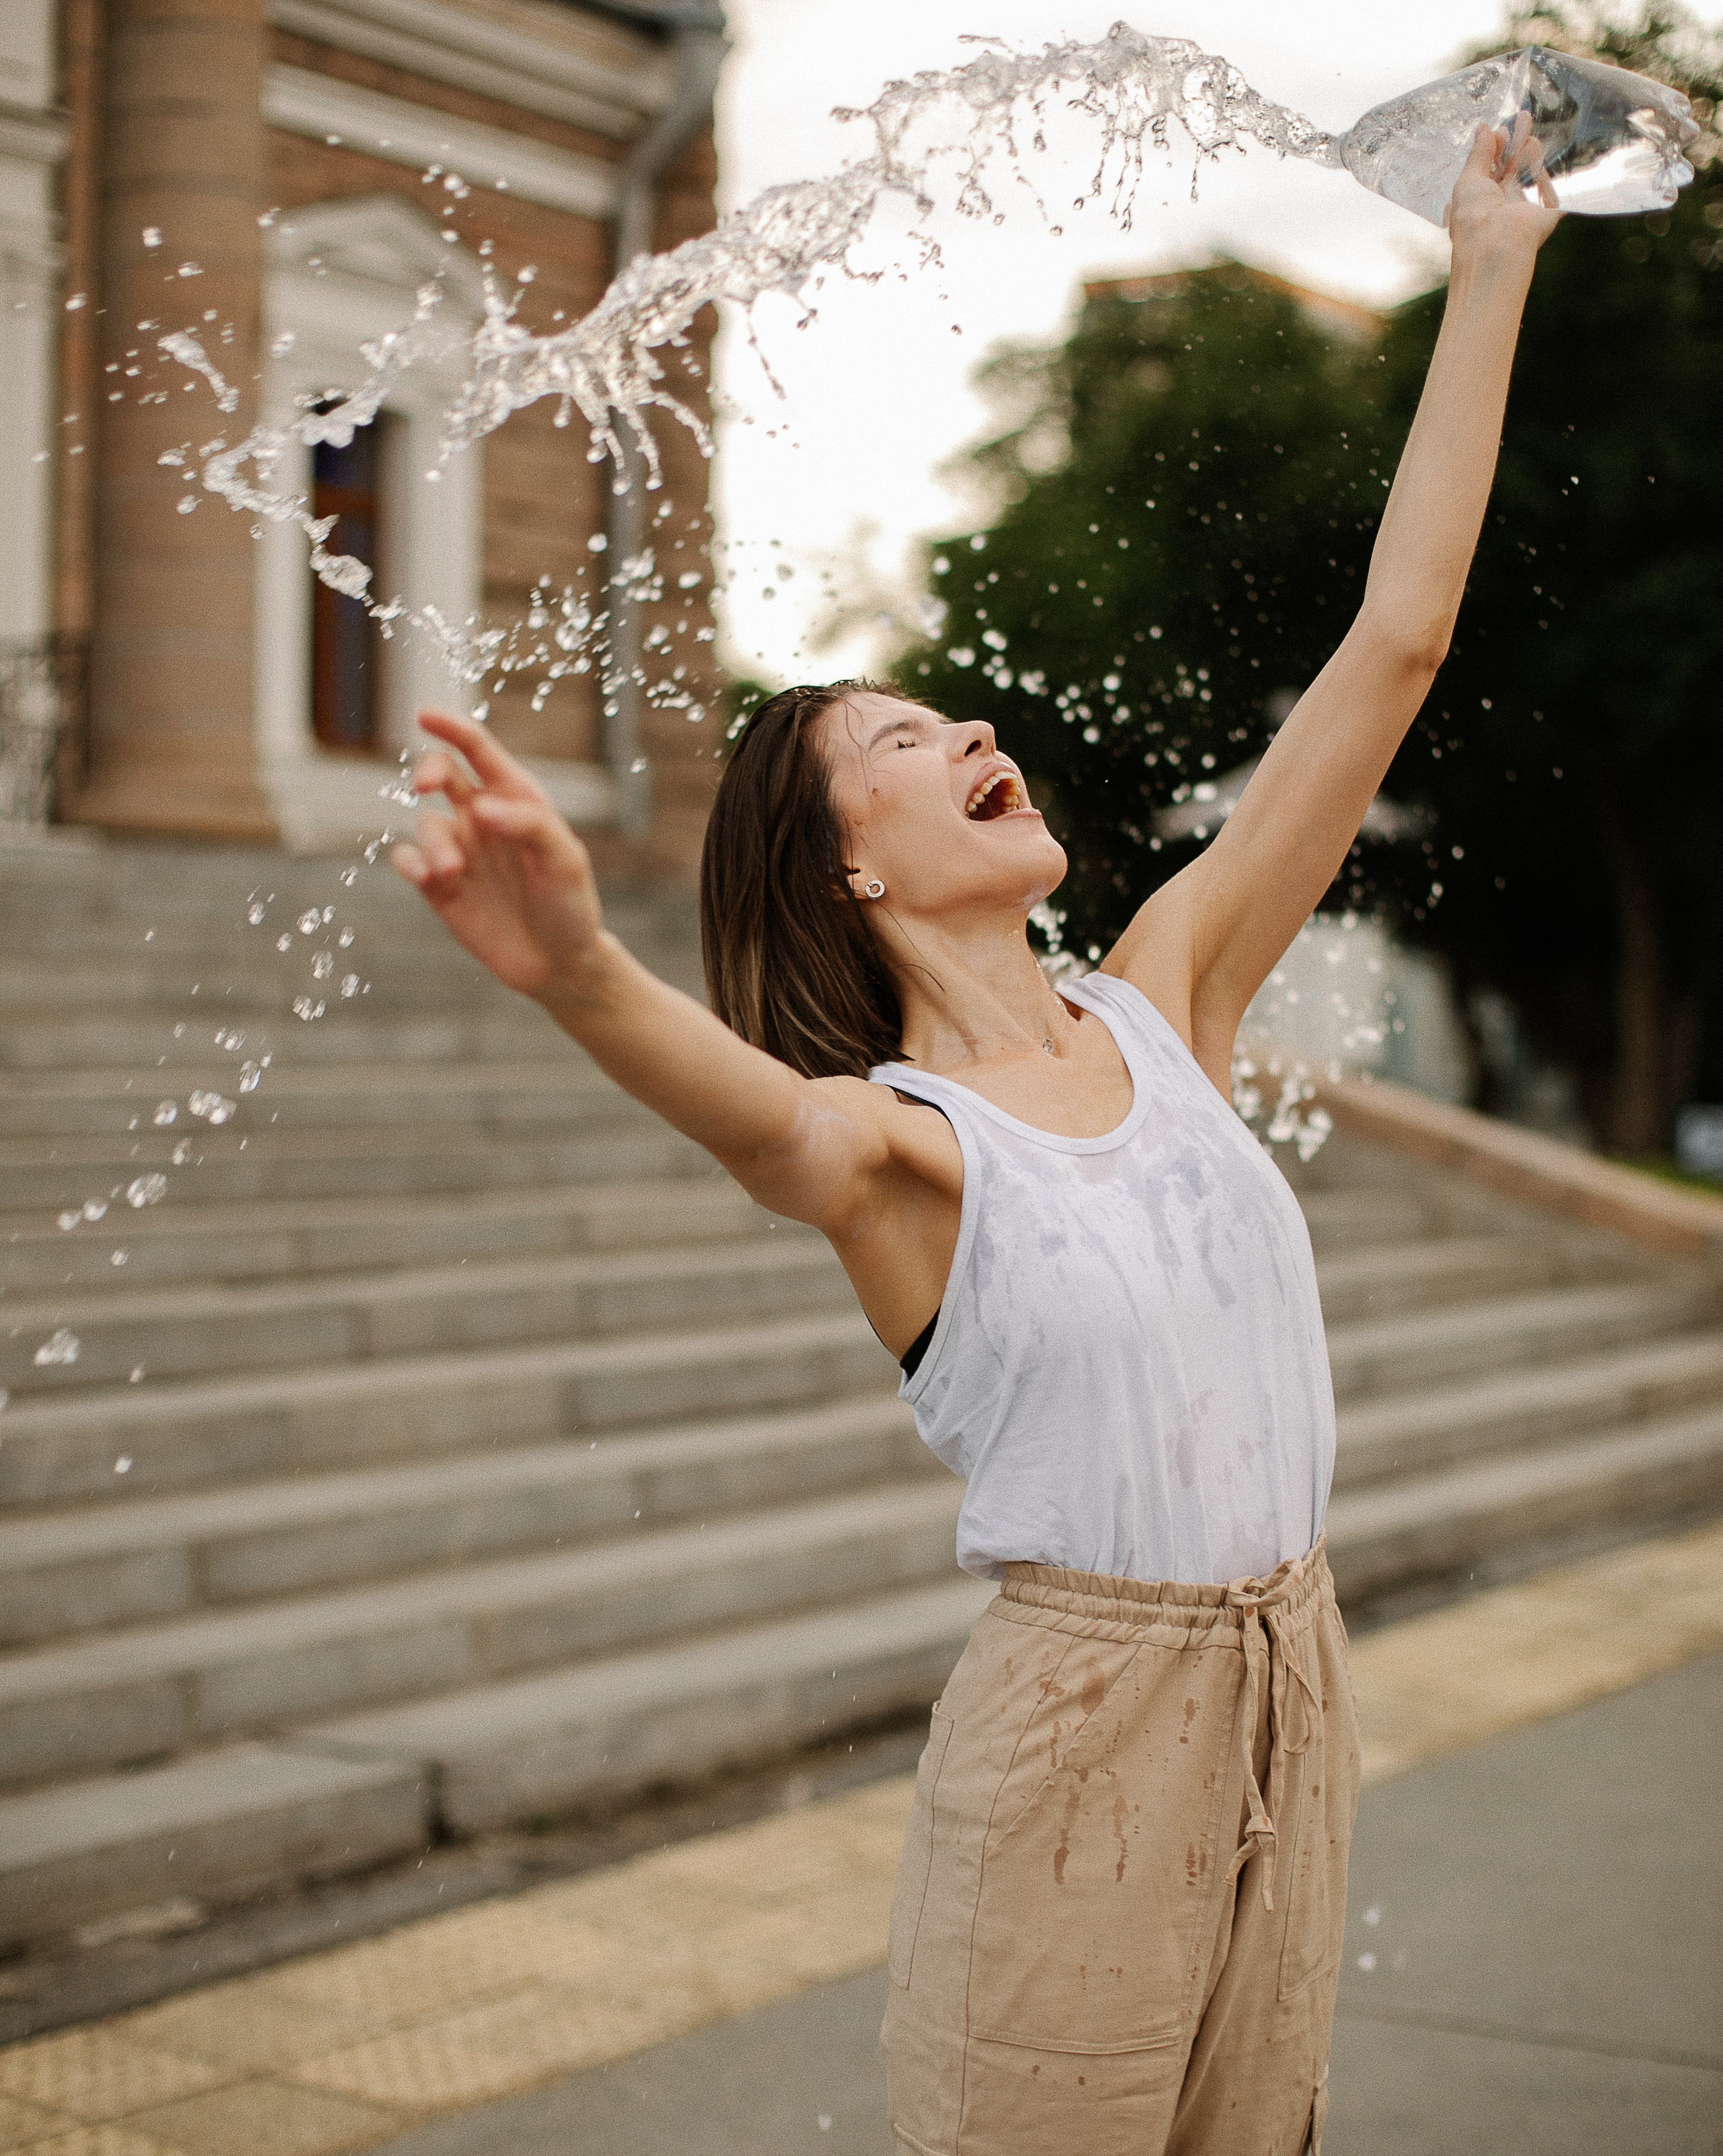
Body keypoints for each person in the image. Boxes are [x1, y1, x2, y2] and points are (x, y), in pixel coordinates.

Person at [394, 121, 1557, 2156]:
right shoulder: (904, 1146)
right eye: (912, 745)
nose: (975, 738)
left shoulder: (1170, 993)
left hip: (1296, 1683)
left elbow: (1398, 644)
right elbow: (771, 1130)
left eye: (959, 716)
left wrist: (1490, 267)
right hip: (1079, 1734)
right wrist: (576, 965)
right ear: (847, 867)